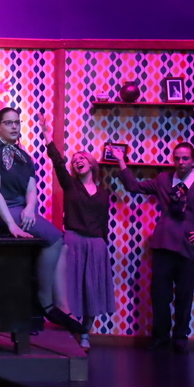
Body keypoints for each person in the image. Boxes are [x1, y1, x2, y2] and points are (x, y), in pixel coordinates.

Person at [113, 142, 194, 354]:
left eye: (185, 158)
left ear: (193, 161)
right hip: (163, 243)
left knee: (184, 295)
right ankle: (160, 337)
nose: (181, 162)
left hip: (188, 246)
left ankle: (180, 338)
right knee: (159, 295)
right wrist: (121, 161)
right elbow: (134, 187)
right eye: (177, 158)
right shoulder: (163, 180)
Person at [0, 106, 83, 333]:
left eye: (17, 122)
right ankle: (46, 302)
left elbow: (32, 190)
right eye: (8, 123)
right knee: (54, 238)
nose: (14, 127)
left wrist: (31, 209)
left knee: (59, 242)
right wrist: (12, 224)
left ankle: (56, 304)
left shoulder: (24, 156)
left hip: (20, 207)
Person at [36, 114, 115, 350]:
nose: (77, 160)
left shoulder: (103, 194)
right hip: (72, 241)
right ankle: (72, 331)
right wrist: (46, 132)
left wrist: (103, 245)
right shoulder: (70, 184)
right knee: (71, 290)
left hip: (97, 245)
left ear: (91, 164)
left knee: (92, 293)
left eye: (82, 158)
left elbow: (104, 222)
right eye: (75, 159)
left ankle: (85, 335)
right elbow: (57, 161)